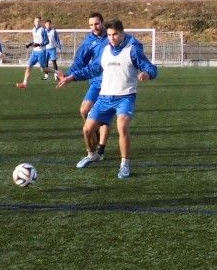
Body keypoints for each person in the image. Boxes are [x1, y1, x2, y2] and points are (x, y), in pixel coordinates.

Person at [58, 19, 157, 179]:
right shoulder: (104, 50)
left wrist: (148, 74)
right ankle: (92, 155)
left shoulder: (132, 50)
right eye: (109, 35)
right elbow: (93, 69)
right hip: (104, 97)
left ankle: (124, 164)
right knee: (87, 130)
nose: (111, 38)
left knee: (122, 125)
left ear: (123, 33)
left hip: (125, 96)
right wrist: (72, 77)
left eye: (115, 34)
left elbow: (151, 67)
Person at [66, 12, 111, 159]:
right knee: (84, 110)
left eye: (96, 24)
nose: (94, 27)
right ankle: (94, 131)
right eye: (91, 25)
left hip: (112, 83)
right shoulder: (89, 40)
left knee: (105, 116)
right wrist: (68, 74)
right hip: (97, 82)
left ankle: (101, 149)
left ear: (102, 22)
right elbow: (80, 61)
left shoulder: (112, 36)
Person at [17, 16, 50, 88]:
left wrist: (40, 44)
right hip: (34, 52)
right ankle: (24, 83)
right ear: (34, 22)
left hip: (41, 52)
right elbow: (35, 41)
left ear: (40, 22)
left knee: (43, 69)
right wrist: (30, 44)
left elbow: (47, 41)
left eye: (38, 21)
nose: (37, 22)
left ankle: (58, 73)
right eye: (36, 21)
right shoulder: (33, 29)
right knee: (28, 67)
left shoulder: (42, 30)